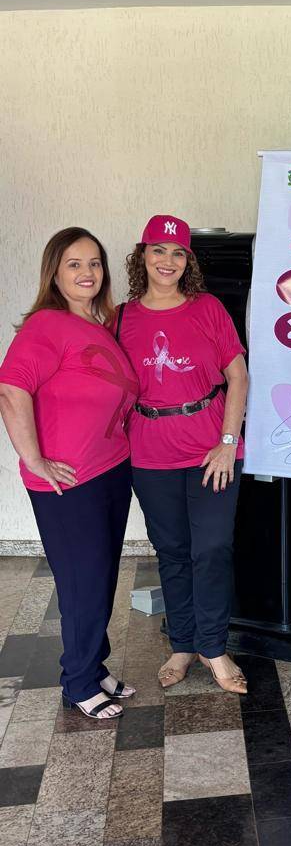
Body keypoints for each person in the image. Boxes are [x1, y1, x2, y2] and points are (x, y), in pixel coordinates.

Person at [0, 228, 138, 720]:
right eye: (75, 264)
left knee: (100, 576)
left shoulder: (100, 326)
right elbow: (12, 390)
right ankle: (78, 681)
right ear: (55, 273)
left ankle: (93, 665)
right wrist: (34, 459)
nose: (87, 273)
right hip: (67, 481)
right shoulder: (46, 325)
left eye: (95, 263)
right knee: (82, 580)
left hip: (110, 470)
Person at [117, 215, 249, 694]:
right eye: (158, 250)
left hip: (211, 449)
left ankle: (214, 648)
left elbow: (238, 376)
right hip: (149, 453)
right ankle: (183, 643)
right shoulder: (122, 317)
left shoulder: (208, 308)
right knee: (171, 551)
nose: (167, 261)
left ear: (187, 261)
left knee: (212, 549)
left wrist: (228, 443)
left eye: (177, 253)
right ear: (142, 256)